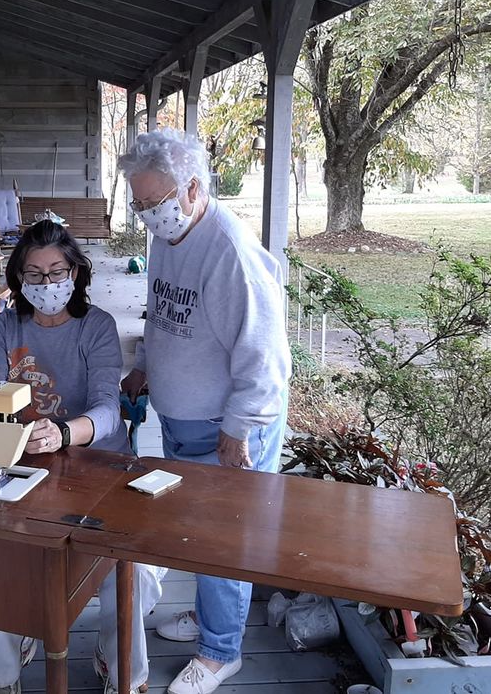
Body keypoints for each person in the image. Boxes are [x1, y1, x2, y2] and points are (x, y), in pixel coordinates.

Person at [118, 128, 291, 694]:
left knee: (225, 539)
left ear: (192, 189)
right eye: (140, 204)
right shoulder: (168, 236)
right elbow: (161, 312)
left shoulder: (231, 254)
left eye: (156, 202)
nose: (149, 215)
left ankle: (221, 651)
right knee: (194, 527)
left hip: (228, 428)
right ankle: (213, 616)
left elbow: (265, 358)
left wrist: (239, 429)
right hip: (182, 422)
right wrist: (144, 365)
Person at [0, 220, 165, 694]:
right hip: (27, 466)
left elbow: (107, 410)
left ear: (75, 273)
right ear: (18, 278)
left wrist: (63, 432)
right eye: (34, 274)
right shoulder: (5, 326)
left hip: (100, 466)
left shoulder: (95, 326)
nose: (46, 284)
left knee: (127, 572)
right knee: (1, 556)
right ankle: (4, 672)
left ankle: (121, 669)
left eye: (56, 272)